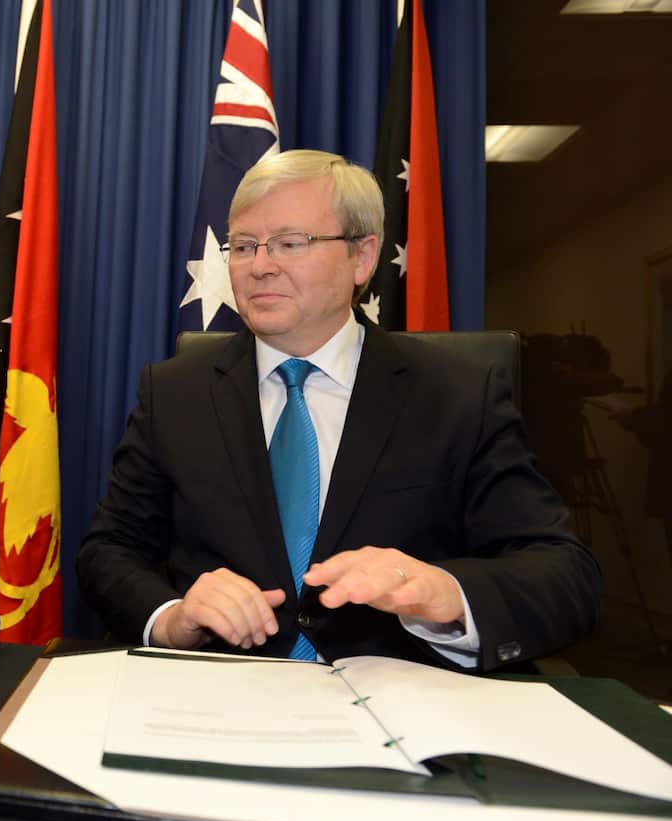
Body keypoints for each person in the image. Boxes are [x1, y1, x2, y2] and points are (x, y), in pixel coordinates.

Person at [77, 150, 601, 670]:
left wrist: (447, 594)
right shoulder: (174, 392)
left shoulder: (458, 394)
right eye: (242, 246)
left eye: (290, 243)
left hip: (403, 706)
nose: (260, 266)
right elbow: (109, 551)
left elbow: (563, 572)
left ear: (363, 257)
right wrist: (171, 616)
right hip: (222, 702)